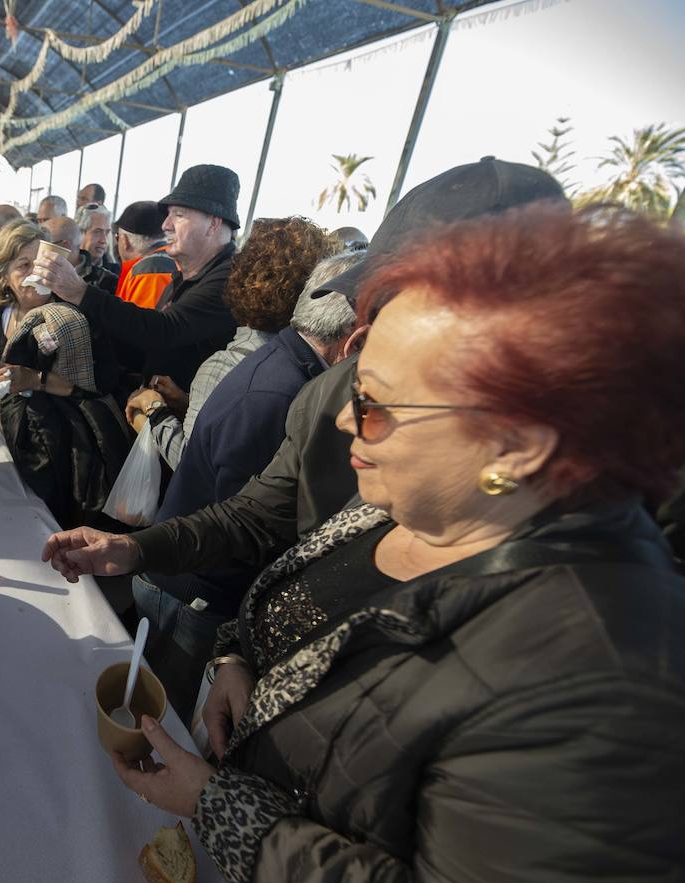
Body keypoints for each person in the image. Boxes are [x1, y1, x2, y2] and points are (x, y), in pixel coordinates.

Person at [96, 203, 685, 883]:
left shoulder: (603, 686)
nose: (345, 417)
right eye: (354, 385)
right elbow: (306, 599)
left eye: (374, 402)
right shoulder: (424, 493)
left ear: (517, 442)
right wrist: (236, 656)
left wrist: (218, 804)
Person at [41, 158, 572, 600]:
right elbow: (257, 513)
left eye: (400, 303)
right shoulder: (330, 391)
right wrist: (140, 553)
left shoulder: (562, 589)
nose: (352, 411)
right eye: (374, 304)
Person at [123, 249, 357, 720]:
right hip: (194, 593)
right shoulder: (283, 392)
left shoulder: (284, 364)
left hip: (181, 576)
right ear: (354, 342)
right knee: (157, 722)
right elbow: (241, 517)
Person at [0, 220, 129, 525]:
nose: (35, 273)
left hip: (64, 460)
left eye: (41, 264)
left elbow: (106, 381)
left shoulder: (74, 319)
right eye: (23, 264)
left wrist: (37, 380)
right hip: (11, 450)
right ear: (2, 275)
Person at [129, 218, 341, 468]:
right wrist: (188, 403)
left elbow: (189, 463)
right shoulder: (310, 363)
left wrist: (155, 410)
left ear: (245, 275)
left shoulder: (225, 366)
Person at [31, 164, 241, 391]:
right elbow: (144, 345)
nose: (165, 225)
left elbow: (164, 331)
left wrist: (80, 292)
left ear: (213, 223)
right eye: (168, 214)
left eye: (178, 215)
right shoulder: (187, 275)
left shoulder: (228, 280)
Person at [112, 200, 179, 310]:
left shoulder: (149, 272)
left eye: (117, 237)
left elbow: (140, 324)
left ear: (124, 242)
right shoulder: (175, 259)